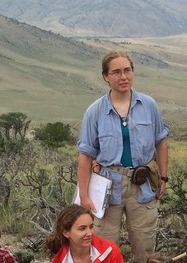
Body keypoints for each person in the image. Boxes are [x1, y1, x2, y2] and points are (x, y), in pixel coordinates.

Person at [77, 50, 169, 263]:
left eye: (127, 70)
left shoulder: (149, 105)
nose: (123, 77)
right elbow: (85, 155)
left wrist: (164, 177)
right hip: (107, 185)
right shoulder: (94, 111)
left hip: (143, 183)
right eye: (116, 72)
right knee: (103, 247)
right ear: (105, 76)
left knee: (145, 246)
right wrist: (84, 196)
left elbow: (161, 141)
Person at [44, 204, 124, 263]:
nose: (90, 233)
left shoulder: (110, 251)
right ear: (66, 233)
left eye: (91, 227)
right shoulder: (59, 260)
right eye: (82, 229)